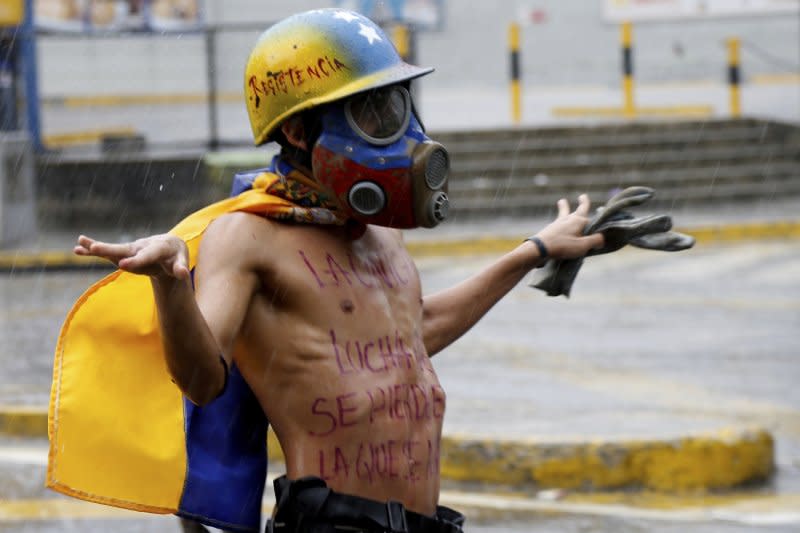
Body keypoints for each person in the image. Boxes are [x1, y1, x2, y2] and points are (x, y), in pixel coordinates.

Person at [72, 9, 605, 533]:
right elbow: (202, 380)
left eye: (396, 105)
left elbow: (412, 335)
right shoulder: (248, 235)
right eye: (371, 114)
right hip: (334, 523)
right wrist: (170, 285)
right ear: (300, 132)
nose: (400, 132)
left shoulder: (378, 232)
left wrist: (533, 250)